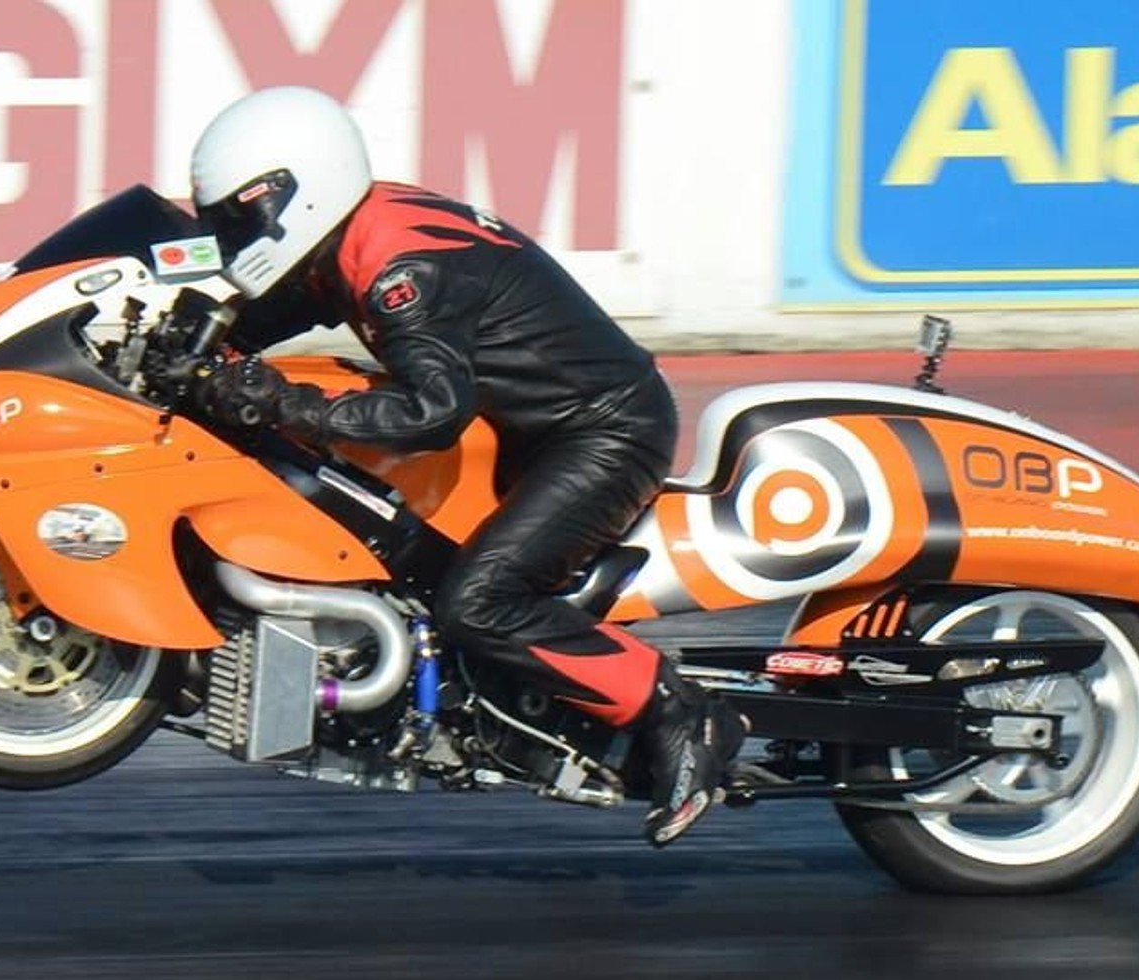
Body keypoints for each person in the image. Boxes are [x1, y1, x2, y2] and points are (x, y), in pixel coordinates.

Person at [187, 86, 745, 847]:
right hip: (534, 428)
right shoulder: (354, 231)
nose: (233, 233)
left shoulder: (401, 270)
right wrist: (195, 339)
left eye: (243, 214)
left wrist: (280, 404)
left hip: (602, 432)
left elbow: (430, 413)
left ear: (300, 189)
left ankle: (679, 711)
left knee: (477, 602)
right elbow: (282, 307)